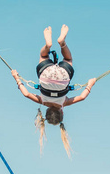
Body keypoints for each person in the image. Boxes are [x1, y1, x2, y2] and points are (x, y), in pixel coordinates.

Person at [11, 25, 96, 157]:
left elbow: (82, 97)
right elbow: (26, 94)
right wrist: (17, 78)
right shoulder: (43, 101)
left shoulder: (64, 103)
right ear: (46, 112)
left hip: (63, 78)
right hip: (46, 75)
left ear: (61, 111)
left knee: (68, 60)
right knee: (43, 55)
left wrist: (90, 84)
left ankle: (63, 44)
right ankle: (48, 45)